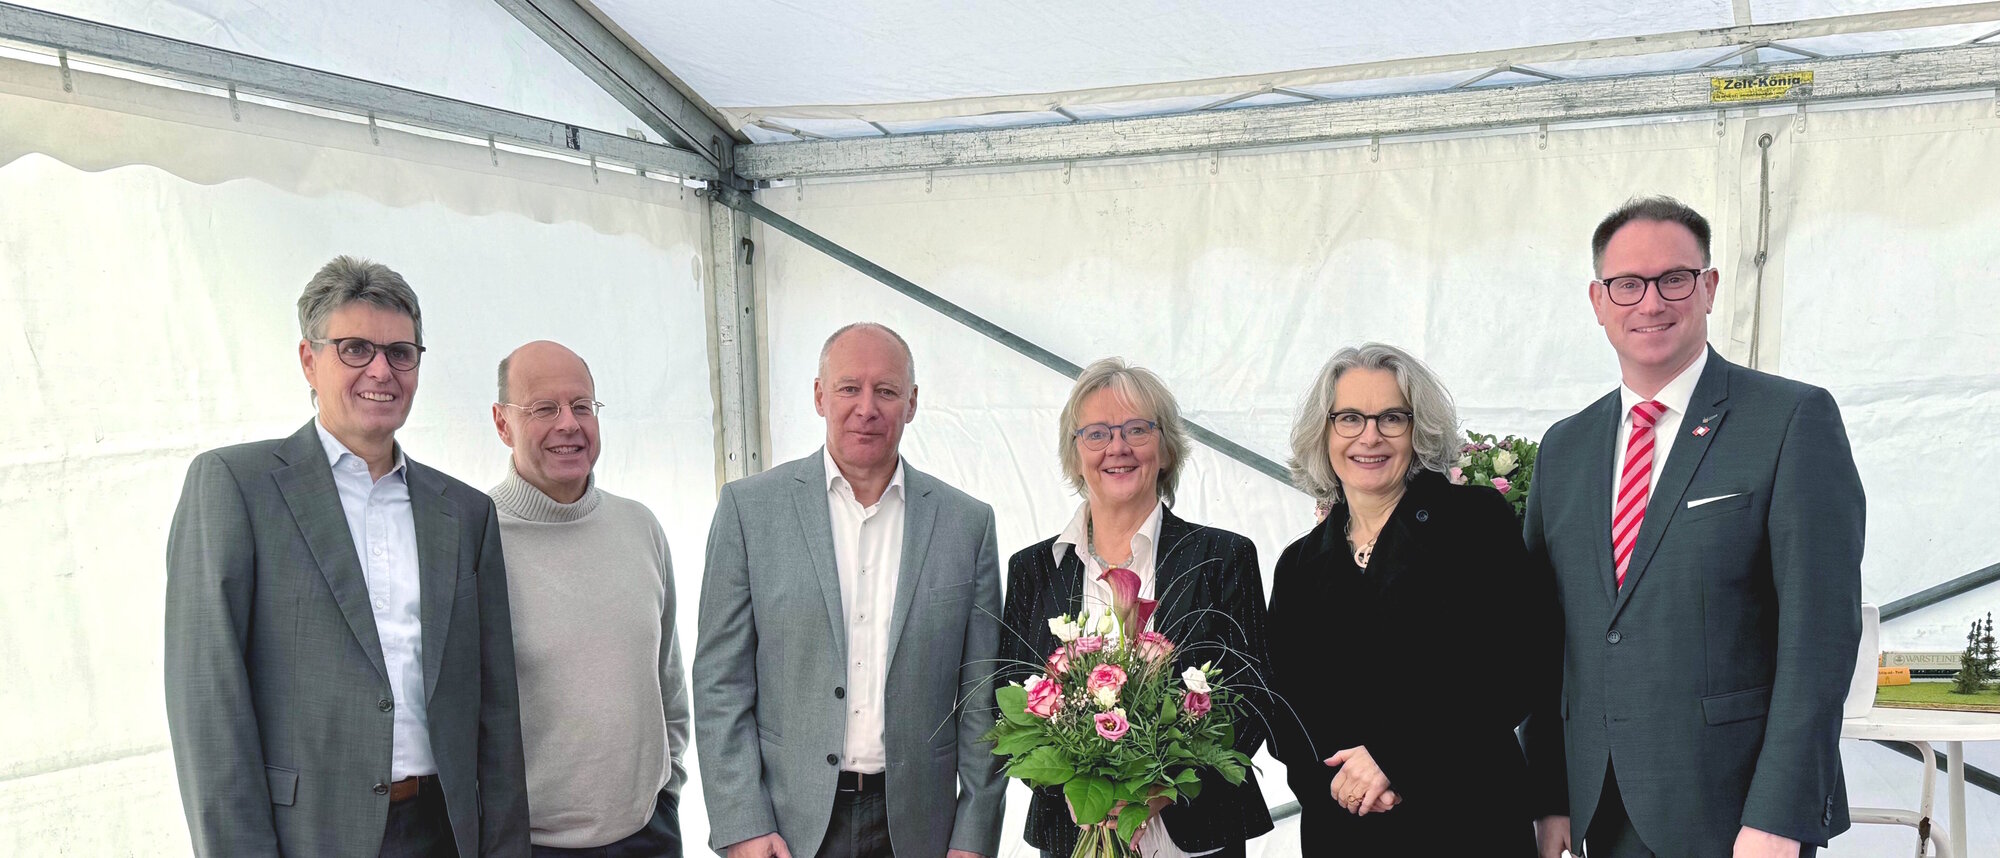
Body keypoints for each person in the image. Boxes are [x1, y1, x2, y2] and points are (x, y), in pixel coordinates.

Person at [1523, 196, 1865, 858]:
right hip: (1603, 804)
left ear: (1708, 287)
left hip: (1736, 814)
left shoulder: (1790, 420)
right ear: (1598, 300)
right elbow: (1546, 639)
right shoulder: (1564, 449)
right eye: (1627, 284)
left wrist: (1782, 815)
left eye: (1674, 279)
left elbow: (1819, 639)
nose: (1650, 303)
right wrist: (1548, 792)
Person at [164, 256, 530, 857]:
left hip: (445, 832)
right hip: (305, 837)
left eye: (401, 353)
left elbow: (496, 713)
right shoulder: (237, 486)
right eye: (355, 348)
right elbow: (209, 708)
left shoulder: (465, 513)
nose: (381, 370)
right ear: (309, 360)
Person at [693, 322, 1005, 858]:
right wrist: (741, 822)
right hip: (786, 829)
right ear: (819, 395)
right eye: (848, 388)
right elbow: (721, 683)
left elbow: (983, 700)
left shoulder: (966, 524)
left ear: (912, 403)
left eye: (886, 391)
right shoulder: (750, 510)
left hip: (920, 831)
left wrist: (974, 837)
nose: (867, 408)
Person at [1264, 343, 1554, 855]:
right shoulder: (1298, 564)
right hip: (1344, 828)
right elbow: (1284, 710)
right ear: (1325, 431)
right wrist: (1334, 785)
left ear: (1418, 430)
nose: (1370, 437)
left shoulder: (1475, 522)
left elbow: (1516, 667)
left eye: (1392, 418)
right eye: (1350, 418)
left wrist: (1395, 760)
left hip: (1467, 822)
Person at [998, 357, 1273, 858]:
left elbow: (1253, 698)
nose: (1117, 448)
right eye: (1097, 433)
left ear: (1166, 449)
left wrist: (1160, 790)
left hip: (1198, 838)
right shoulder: (1034, 569)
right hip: (1074, 835)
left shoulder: (1223, 557)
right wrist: (1081, 794)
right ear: (1074, 453)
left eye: (1137, 430)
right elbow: (1010, 702)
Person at [489, 341, 690, 857]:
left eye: (582, 406)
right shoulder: (476, 539)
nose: (568, 424)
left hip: (650, 835)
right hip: (530, 845)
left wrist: (668, 791)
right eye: (543, 409)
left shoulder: (639, 526)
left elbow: (667, 678)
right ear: (501, 423)